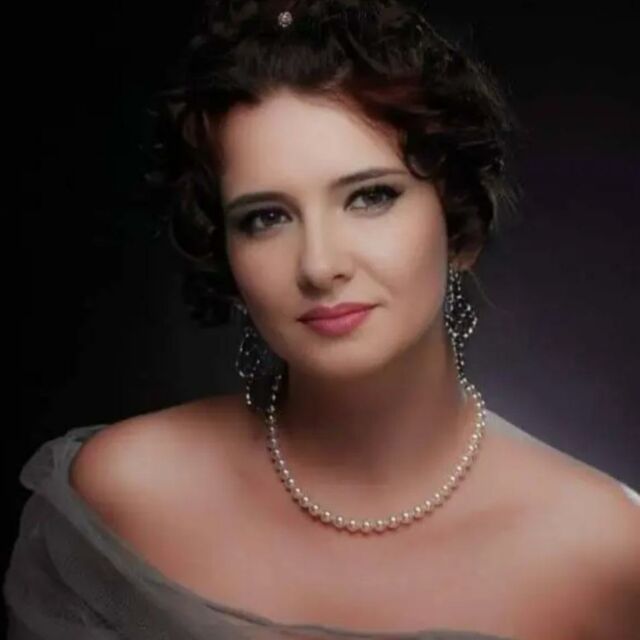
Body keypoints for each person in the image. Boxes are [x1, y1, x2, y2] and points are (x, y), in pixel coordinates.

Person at [5, 1, 639, 638]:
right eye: (266, 217)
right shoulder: (126, 494)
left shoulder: (607, 554)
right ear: (224, 252)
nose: (319, 265)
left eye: (370, 197)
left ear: (459, 225)